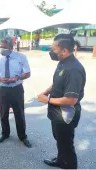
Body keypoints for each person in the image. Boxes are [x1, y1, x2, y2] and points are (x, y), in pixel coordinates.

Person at [37, 34, 86, 169]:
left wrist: (47, 100)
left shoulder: (74, 69)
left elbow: (71, 99)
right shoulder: (63, 62)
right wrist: (46, 92)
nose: (51, 51)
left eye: (54, 49)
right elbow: (57, 83)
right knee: (60, 140)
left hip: (66, 115)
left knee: (66, 144)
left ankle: (69, 164)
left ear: (64, 51)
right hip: (57, 112)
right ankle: (61, 160)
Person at [0, 36, 32, 148]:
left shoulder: (21, 57)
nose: (2, 49)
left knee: (19, 114)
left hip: (16, 89)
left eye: (4, 47)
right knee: (3, 113)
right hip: (3, 90)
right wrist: (0, 79)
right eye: (1, 47)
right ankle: (5, 134)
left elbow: (28, 73)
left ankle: (23, 136)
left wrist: (18, 77)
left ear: (11, 47)